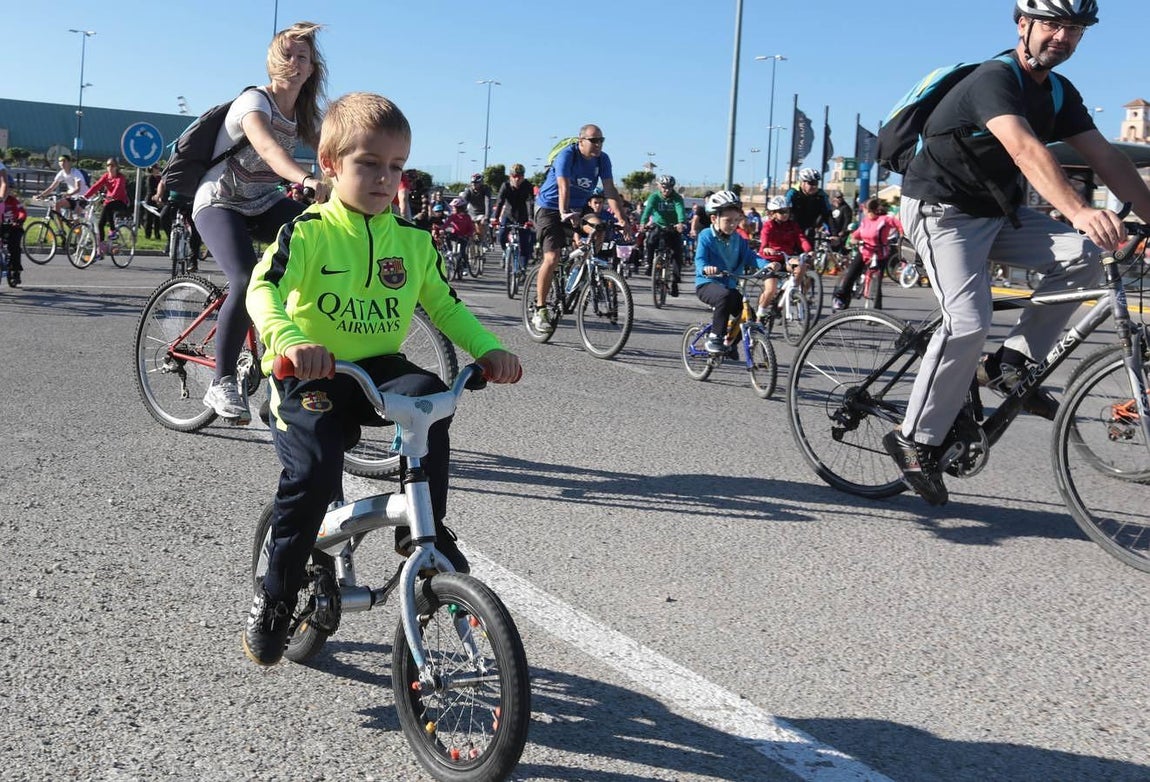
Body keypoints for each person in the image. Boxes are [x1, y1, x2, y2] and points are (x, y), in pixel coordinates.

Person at [243, 91, 522, 666]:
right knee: (316, 469)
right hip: (313, 369)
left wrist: (490, 349)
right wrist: (291, 342)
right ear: (330, 164)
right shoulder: (310, 232)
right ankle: (275, 596)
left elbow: (446, 308)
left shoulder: (413, 242)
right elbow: (261, 288)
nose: (383, 178)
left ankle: (422, 530)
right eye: (368, 163)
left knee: (430, 398)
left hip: (377, 367)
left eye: (395, 167)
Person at [887, 0, 1150, 507]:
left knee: (1089, 255)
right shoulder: (994, 78)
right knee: (966, 321)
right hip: (940, 210)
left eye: (1075, 29)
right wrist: (1078, 210)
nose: (1063, 37)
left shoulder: (1057, 91)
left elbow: (1105, 156)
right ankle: (913, 438)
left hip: (996, 213)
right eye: (1053, 24)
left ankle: (1012, 363)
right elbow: (1025, 150)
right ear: (1023, 24)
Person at [193, 21, 331, 425]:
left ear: (310, 69)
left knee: (320, 245)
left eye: (302, 57)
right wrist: (305, 179)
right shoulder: (254, 102)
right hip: (220, 201)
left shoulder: (305, 114)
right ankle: (221, 382)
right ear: (272, 62)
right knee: (246, 277)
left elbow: (333, 152)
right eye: (286, 54)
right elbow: (269, 149)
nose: (294, 62)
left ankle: (284, 366)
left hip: (262, 202)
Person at [531, 124, 631, 332]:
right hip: (550, 207)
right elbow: (563, 186)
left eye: (601, 141)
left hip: (579, 207)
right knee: (552, 257)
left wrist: (622, 219)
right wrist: (565, 212)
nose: (598, 145)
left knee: (600, 227)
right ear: (581, 141)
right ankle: (540, 310)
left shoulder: (602, 159)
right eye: (594, 141)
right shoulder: (568, 155)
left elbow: (610, 190)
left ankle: (584, 266)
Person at [694, 191, 768, 353]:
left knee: (750, 315)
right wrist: (706, 268)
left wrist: (767, 265)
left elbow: (751, 257)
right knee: (724, 297)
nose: (733, 225)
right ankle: (715, 337)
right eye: (728, 221)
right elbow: (699, 259)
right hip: (707, 284)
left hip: (729, 285)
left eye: (736, 220)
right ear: (714, 219)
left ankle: (730, 344)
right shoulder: (706, 235)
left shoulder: (738, 239)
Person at [831, 198, 903, 310]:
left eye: (863, 210)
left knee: (877, 283)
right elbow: (857, 233)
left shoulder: (884, 220)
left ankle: (876, 309)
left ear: (868, 210)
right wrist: (852, 239)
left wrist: (902, 237)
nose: (863, 212)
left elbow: (899, 225)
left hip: (880, 254)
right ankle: (841, 300)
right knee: (851, 275)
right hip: (865, 251)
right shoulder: (865, 221)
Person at [757, 195, 812, 318]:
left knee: (800, 265)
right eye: (781, 212)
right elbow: (764, 242)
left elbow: (801, 238)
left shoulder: (793, 225)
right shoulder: (768, 225)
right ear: (773, 213)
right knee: (771, 290)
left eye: (787, 211)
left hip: (786, 258)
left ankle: (792, 292)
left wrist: (808, 250)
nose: (785, 214)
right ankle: (760, 312)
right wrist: (766, 249)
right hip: (771, 260)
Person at [639, 174, 687, 296]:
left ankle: (675, 282)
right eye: (664, 187)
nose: (667, 190)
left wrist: (681, 223)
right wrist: (643, 223)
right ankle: (650, 264)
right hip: (659, 225)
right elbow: (648, 210)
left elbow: (680, 209)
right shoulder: (654, 197)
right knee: (650, 241)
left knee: (677, 253)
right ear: (659, 186)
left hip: (673, 226)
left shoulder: (676, 198)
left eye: (669, 187)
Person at [82, 158, 131, 256]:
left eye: (112, 165)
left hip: (121, 203)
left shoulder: (120, 178)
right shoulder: (106, 177)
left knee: (108, 206)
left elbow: (118, 188)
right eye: (108, 165)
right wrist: (85, 196)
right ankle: (101, 249)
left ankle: (113, 231)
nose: (110, 167)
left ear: (117, 167)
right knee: (100, 224)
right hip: (109, 202)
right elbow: (96, 186)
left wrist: (111, 196)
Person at [494, 162, 535, 263]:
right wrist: (496, 219)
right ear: (510, 176)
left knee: (525, 242)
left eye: (520, 176)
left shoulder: (527, 185)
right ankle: (505, 251)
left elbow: (530, 202)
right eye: (515, 176)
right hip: (508, 215)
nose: (517, 179)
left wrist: (530, 219)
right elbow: (500, 202)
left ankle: (523, 267)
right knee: (502, 236)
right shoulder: (505, 186)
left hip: (523, 216)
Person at [785, 167, 832, 240]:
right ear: (802, 182)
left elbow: (828, 215)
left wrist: (834, 234)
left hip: (811, 231)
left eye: (816, 183)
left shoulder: (821, 195)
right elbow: (785, 212)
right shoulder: (792, 193)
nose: (814, 186)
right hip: (793, 230)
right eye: (811, 183)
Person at [1, 193, 26, 288]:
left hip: (13, 227)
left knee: (14, 247)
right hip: (1, 226)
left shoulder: (14, 200)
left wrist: (19, 220)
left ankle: (16, 271)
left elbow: (22, 211)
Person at [459, 173, 492, 244]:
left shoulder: (485, 189)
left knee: (481, 223)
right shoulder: (468, 191)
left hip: (482, 212)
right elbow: (463, 202)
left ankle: (483, 241)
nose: (474, 184)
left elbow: (487, 203)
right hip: (471, 213)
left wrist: (486, 216)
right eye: (472, 183)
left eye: (476, 183)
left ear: (481, 183)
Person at [142, 165, 162, 240]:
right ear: (152, 169)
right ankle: (148, 235)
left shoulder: (159, 178)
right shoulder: (150, 178)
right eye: (156, 168)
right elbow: (151, 189)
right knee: (148, 218)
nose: (158, 170)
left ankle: (157, 235)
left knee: (157, 218)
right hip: (150, 200)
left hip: (157, 199)